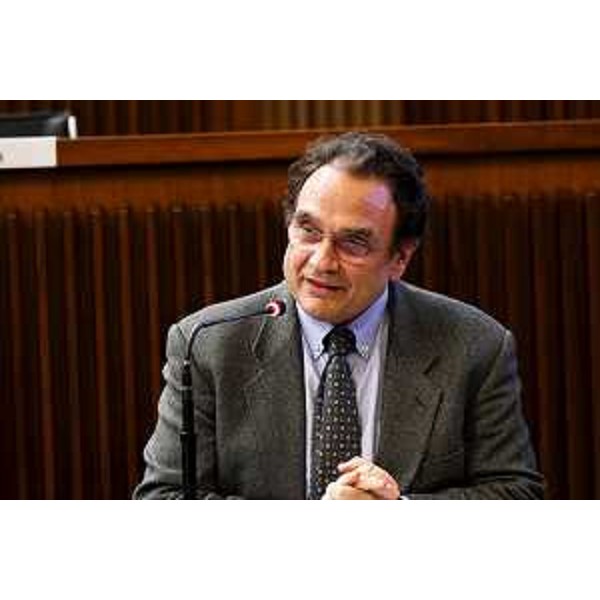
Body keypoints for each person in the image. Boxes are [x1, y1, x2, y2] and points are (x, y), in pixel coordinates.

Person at [134, 131, 543, 500]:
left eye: (353, 243)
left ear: (400, 258)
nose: (321, 262)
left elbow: (517, 494)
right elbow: (163, 499)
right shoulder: (208, 343)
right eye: (308, 231)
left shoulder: (474, 346)